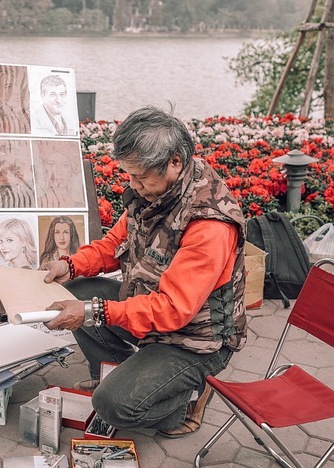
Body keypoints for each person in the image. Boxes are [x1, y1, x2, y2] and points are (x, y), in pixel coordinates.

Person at [41, 106, 247, 439]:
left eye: (140, 176)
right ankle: (122, 373)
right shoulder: (156, 191)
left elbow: (174, 310)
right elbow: (114, 243)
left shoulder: (209, 223)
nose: (133, 185)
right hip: (150, 307)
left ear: (174, 162)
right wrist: (71, 264)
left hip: (195, 340)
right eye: (129, 175)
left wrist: (96, 312)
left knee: (112, 405)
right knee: (75, 290)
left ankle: (184, 402)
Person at [0, 139, 35, 208]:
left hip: (13, 190)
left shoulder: (20, 163)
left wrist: (4, 178)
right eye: (8, 149)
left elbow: (19, 179)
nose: (11, 151)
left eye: (14, 149)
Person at [35, 141, 85, 208]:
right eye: (52, 164)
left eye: (65, 165)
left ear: (72, 170)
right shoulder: (37, 204)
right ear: (43, 168)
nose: (59, 171)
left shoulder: (79, 207)